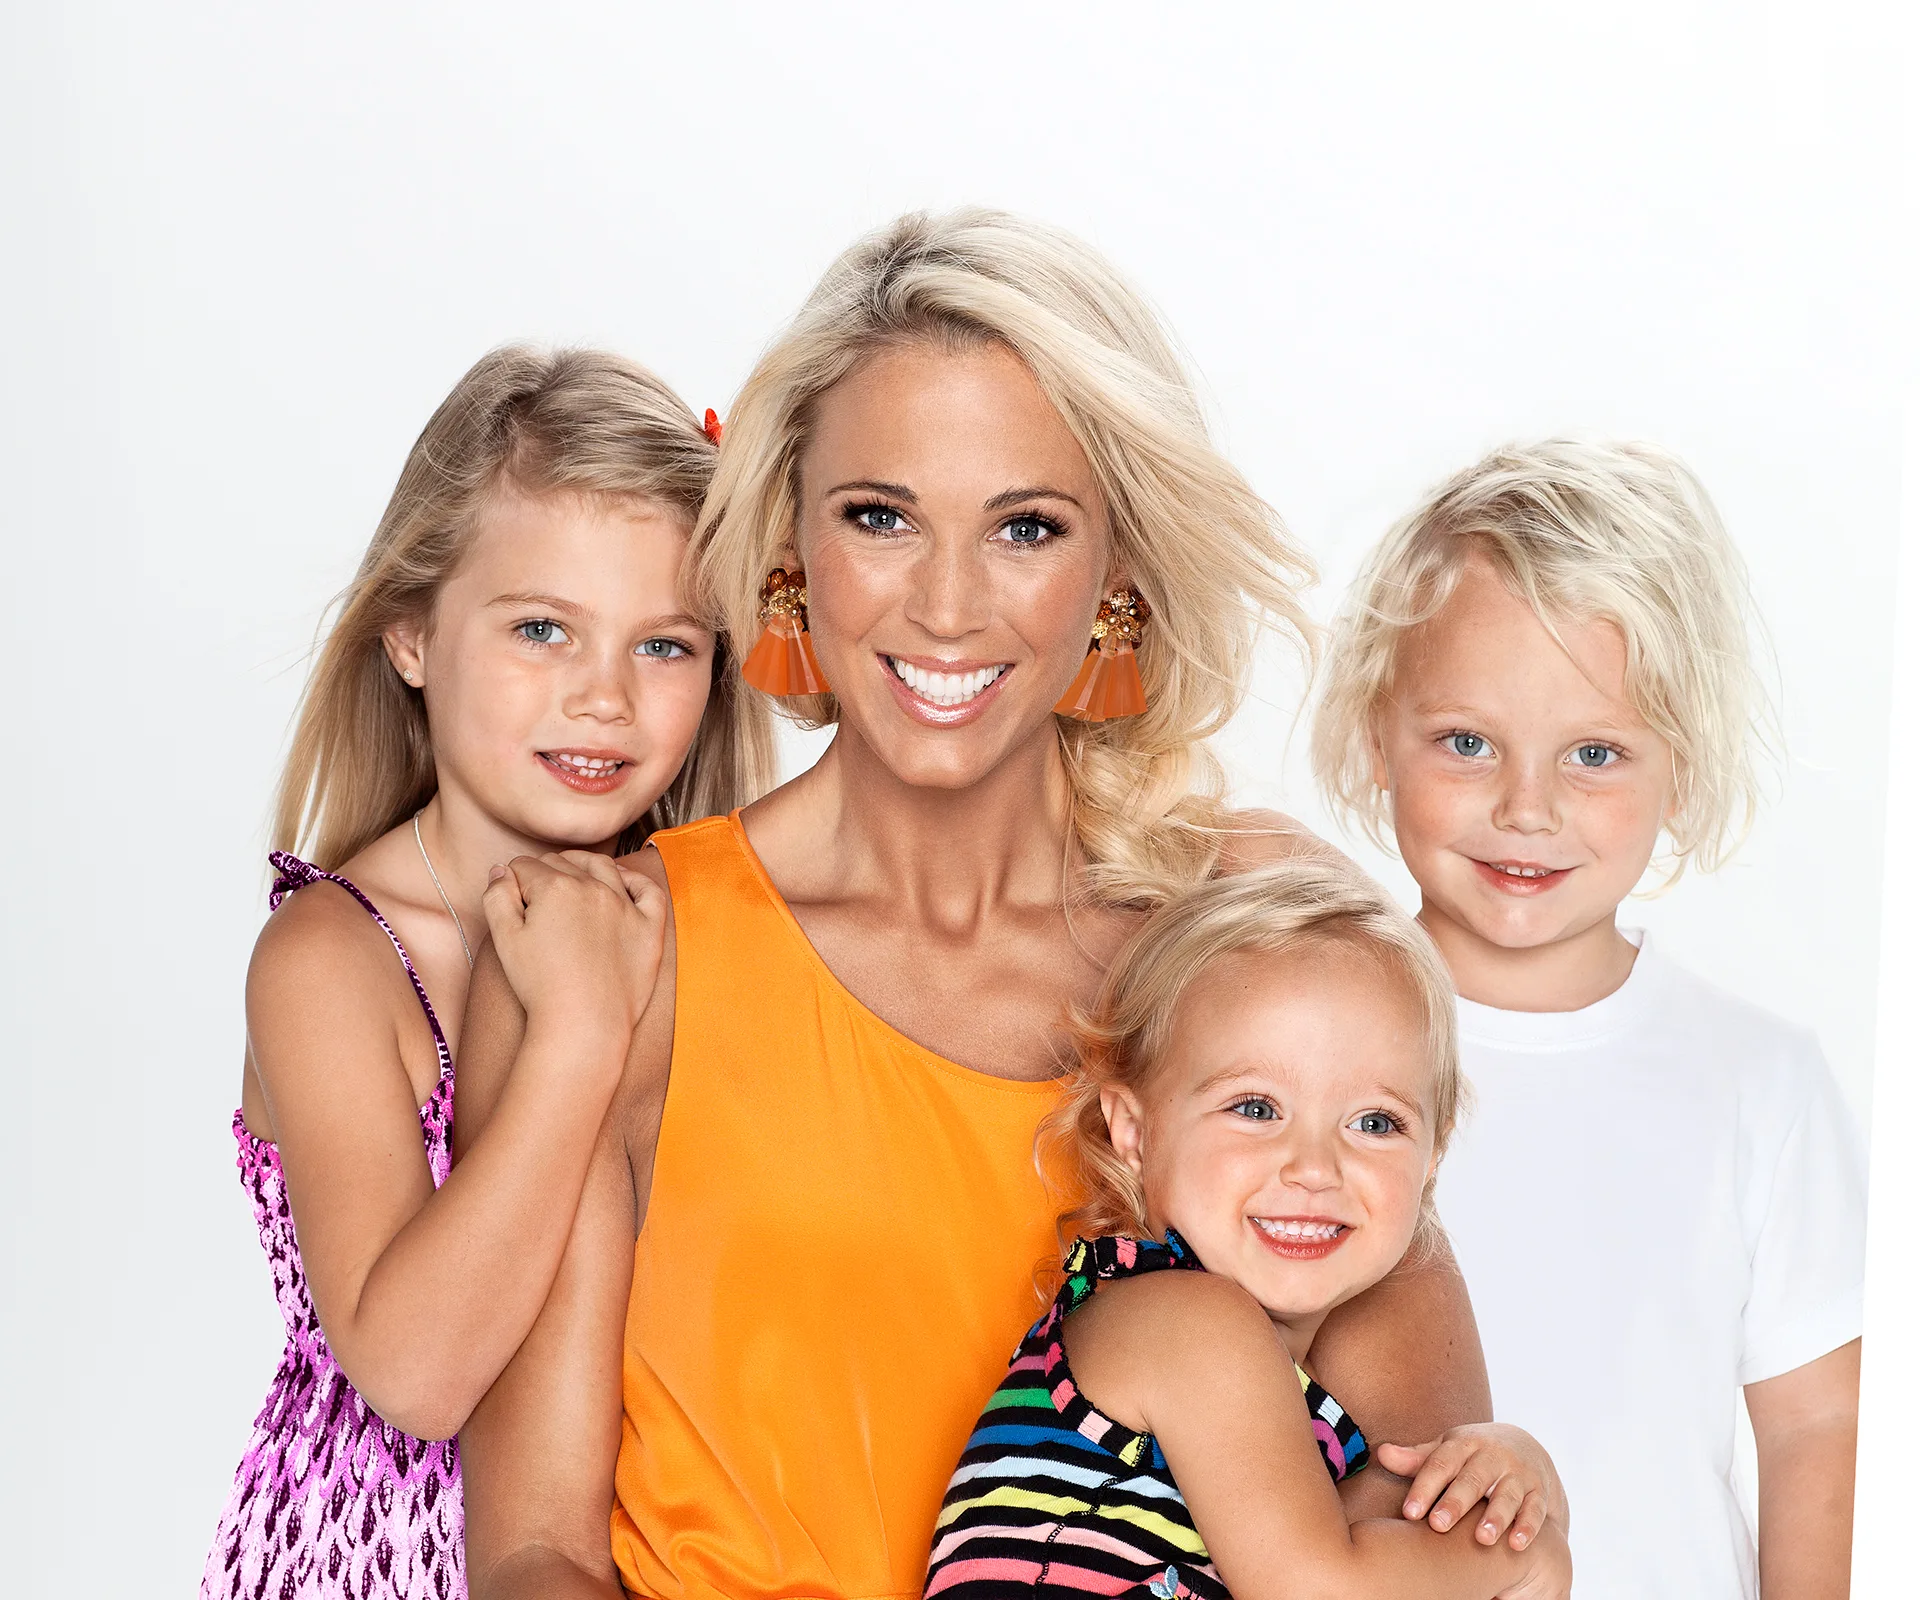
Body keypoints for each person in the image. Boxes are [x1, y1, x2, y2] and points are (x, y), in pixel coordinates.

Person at [457, 210, 1552, 1600]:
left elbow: (1426, 1503)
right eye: (881, 518)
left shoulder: (1258, 930)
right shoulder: (624, 955)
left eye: (1026, 527)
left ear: (1115, 578)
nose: (950, 606)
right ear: (791, 539)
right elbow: (535, 1554)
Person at [201, 347, 770, 1600]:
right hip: (373, 1562)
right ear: (410, 631)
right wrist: (574, 1033)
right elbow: (416, 1368)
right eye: (541, 628)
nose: (605, 698)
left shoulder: (715, 934)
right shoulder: (335, 959)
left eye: (665, 646)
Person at [1311, 437, 1866, 1600]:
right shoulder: (1302, 1039)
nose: (1526, 807)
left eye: (1595, 753)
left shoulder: (1758, 1082)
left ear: (1682, 760)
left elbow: (1817, 1426)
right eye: (1467, 743)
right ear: (1378, 733)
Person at [925, 861, 1570, 1600]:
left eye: (1375, 1122)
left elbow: (1390, 1534)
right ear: (1135, 1130)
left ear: (1433, 1157)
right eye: (1256, 1108)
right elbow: (1319, 1591)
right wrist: (1524, 1556)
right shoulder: (1183, 1321)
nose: (1315, 1166)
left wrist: (1513, 1467)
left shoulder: (1288, 1401)